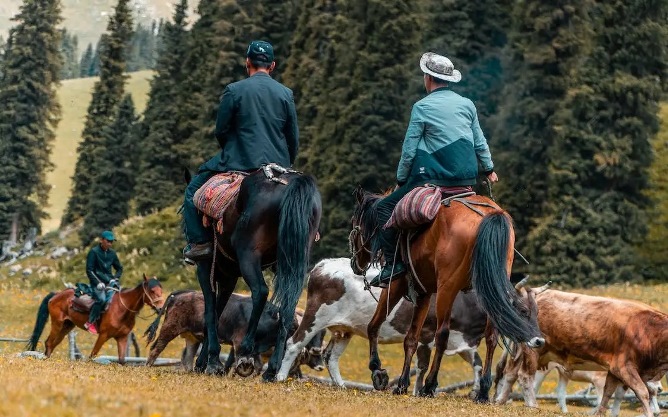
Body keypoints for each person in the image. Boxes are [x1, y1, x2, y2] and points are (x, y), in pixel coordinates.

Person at [369, 52, 499, 288]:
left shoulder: (421, 107)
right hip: (467, 180)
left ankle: (392, 266)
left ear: (428, 78)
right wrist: (489, 169)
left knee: (383, 207)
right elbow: (480, 141)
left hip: (432, 179)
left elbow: (409, 149)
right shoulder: (467, 105)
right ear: (449, 80)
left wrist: (401, 179)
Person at [182, 40, 299, 263]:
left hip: (240, 160)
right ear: (272, 65)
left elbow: (221, 130)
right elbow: (292, 137)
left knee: (192, 190)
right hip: (279, 165)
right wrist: (286, 165)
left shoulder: (234, 90)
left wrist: (232, 149)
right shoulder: (286, 94)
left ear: (248, 62)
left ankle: (200, 243)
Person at [84, 230, 123, 334]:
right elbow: (89, 270)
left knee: (120, 298)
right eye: (108, 241)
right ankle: (90, 322)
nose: (110, 244)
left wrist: (115, 278)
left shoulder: (112, 254)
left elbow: (119, 268)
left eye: (111, 242)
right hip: (97, 283)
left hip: (110, 282)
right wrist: (97, 283)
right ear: (102, 240)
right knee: (101, 299)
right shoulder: (94, 252)